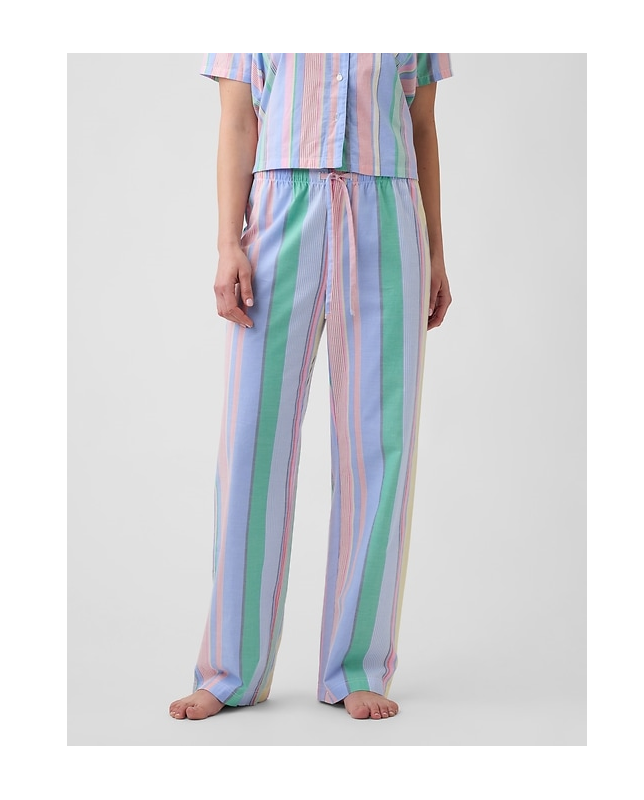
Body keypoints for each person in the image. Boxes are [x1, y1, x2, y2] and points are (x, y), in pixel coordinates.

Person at [170, 53, 453, 722]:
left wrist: (437, 251)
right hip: (279, 212)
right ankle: (230, 670)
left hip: (389, 215)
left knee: (379, 448)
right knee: (251, 443)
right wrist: (227, 243)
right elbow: (238, 121)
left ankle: (356, 666)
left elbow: (422, 126)